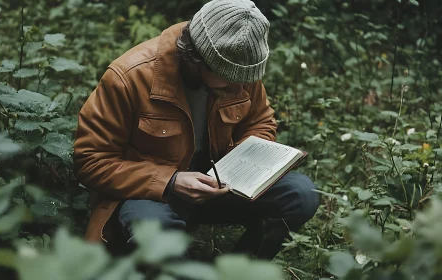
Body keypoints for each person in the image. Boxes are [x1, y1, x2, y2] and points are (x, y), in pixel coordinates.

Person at [74, 0, 320, 260]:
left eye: (245, 79)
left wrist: (240, 165)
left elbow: (261, 122)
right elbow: (91, 161)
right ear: (198, 58)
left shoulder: (240, 69)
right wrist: (170, 182)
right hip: (150, 196)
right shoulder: (129, 77)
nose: (240, 88)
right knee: (156, 231)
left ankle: (240, 270)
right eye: (230, 79)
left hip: (220, 186)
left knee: (301, 194)